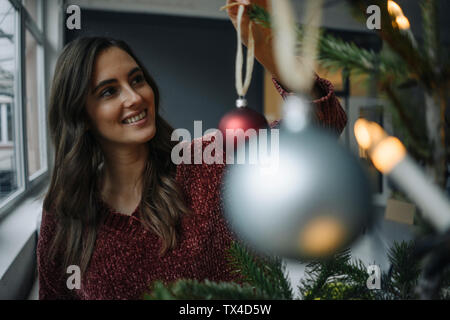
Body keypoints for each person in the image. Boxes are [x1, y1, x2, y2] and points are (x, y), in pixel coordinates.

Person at [37, 0, 347, 299]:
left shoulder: (207, 162)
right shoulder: (65, 210)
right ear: (81, 116)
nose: (134, 97)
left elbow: (320, 130)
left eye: (137, 79)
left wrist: (276, 55)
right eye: (109, 91)